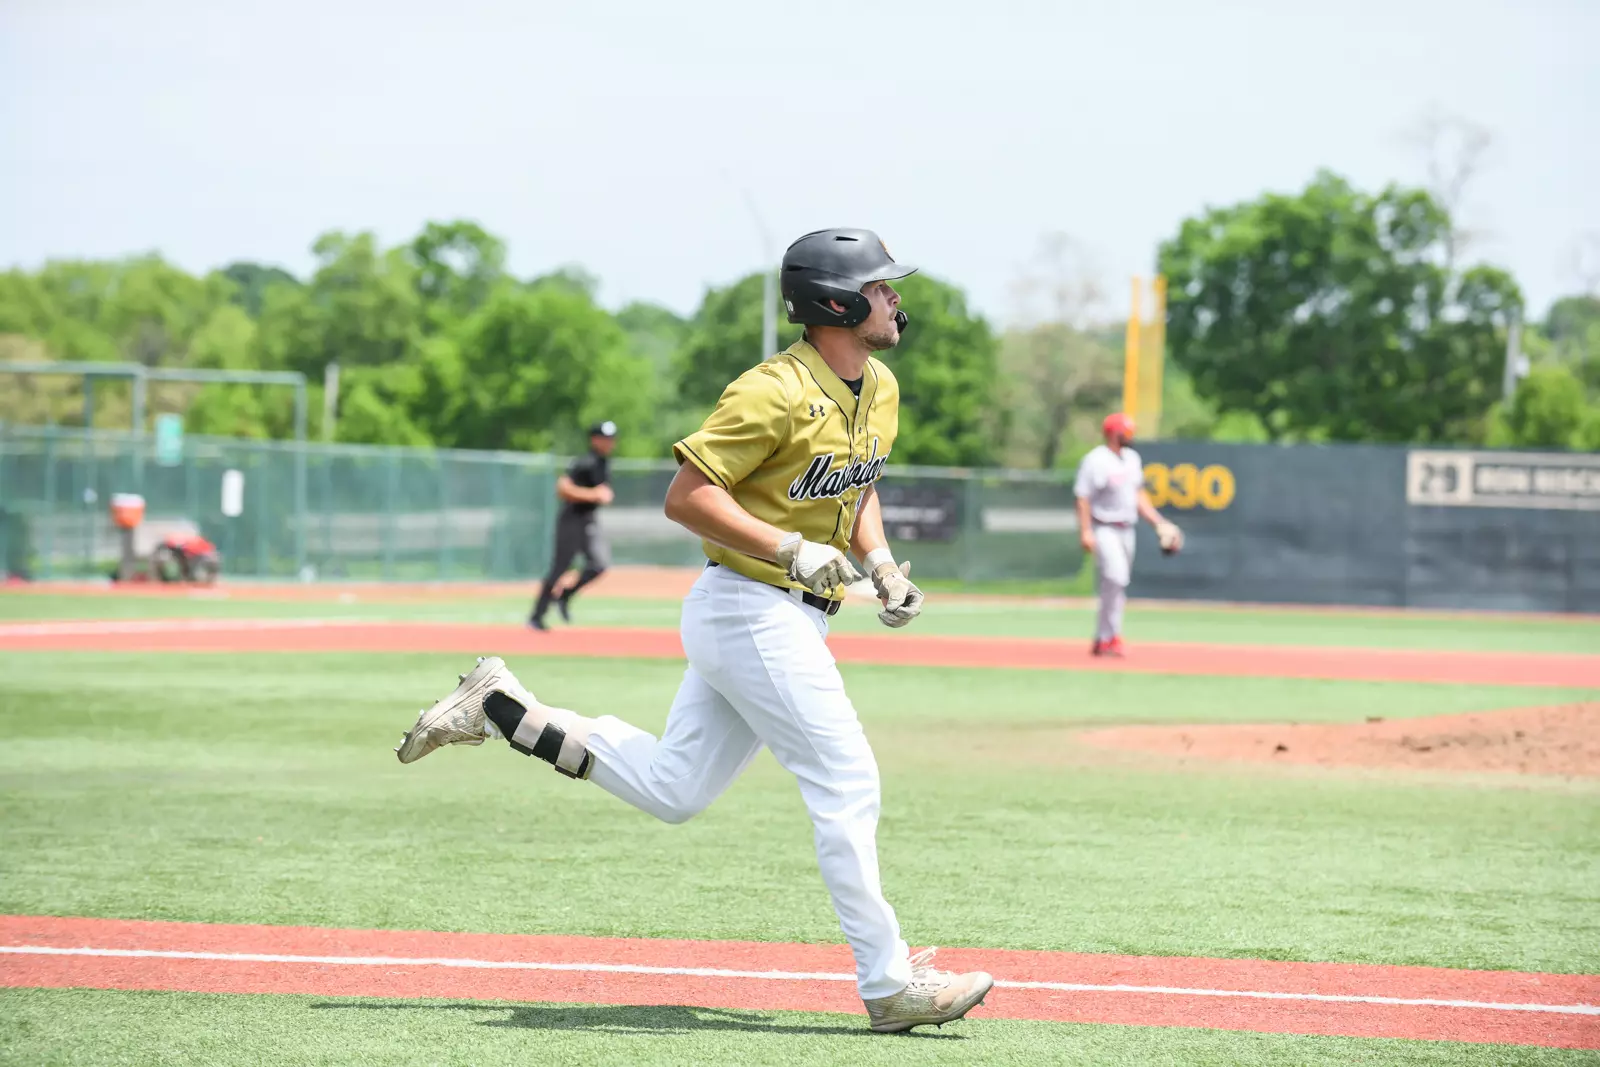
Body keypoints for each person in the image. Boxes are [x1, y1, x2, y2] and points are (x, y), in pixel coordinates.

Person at [395, 228, 993, 1033]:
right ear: (837, 302)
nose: (894, 298)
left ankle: (508, 709)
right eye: (880, 286)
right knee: (847, 782)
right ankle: (888, 984)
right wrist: (788, 546)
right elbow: (687, 496)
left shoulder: (877, 384)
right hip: (750, 605)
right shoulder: (772, 390)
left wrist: (879, 561)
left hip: (778, 617)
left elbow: (860, 485)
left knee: (676, 788)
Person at [1074, 413, 1183, 656]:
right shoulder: (1095, 460)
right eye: (1127, 431)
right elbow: (1082, 497)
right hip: (1104, 527)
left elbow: (1138, 496)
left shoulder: (1131, 459)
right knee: (1116, 578)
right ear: (1113, 434)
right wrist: (1085, 531)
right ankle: (1110, 636)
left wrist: (1159, 523)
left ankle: (1105, 637)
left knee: (1117, 586)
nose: (1131, 436)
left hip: (1126, 529)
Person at [529, 421, 617, 630]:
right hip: (572, 519)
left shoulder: (603, 462)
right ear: (594, 439)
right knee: (560, 567)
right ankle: (536, 616)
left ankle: (565, 595)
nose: (608, 442)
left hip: (589, 519)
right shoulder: (585, 462)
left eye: (611, 438)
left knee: (599, 564)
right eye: (604, 438)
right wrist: (593, 494)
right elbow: (563, 488)